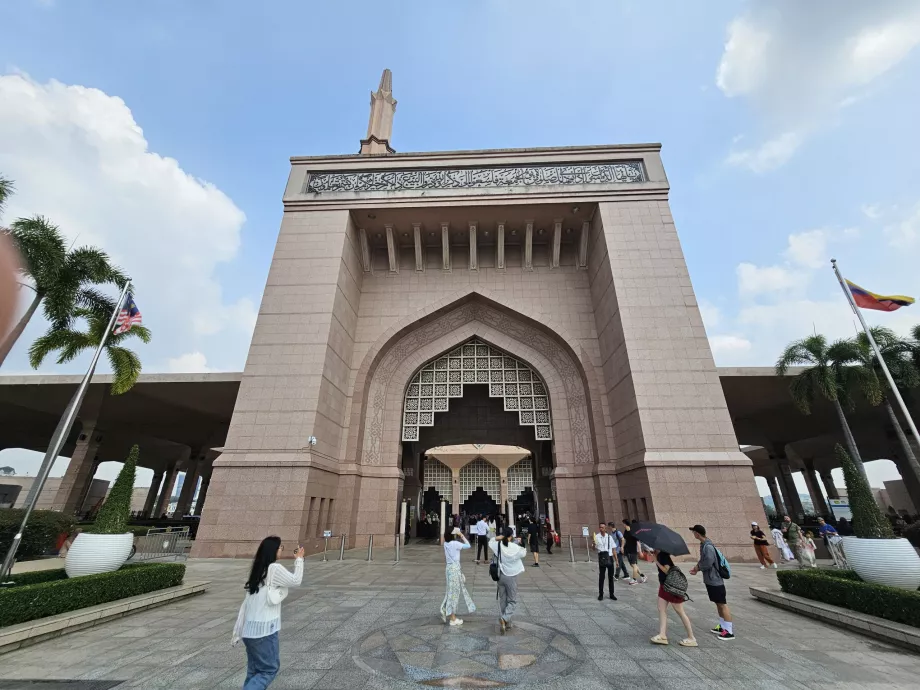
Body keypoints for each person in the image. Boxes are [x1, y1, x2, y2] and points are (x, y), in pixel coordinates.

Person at [232, 537, 304, 689]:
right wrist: (299, 559)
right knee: (268, 670)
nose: (281, 550)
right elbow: (296, 580)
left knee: (254, 671)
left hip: (249, 631)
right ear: (273, 550)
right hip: (264, 631)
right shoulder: (274, 568)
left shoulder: (258, 571)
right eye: (280, 547)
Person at [688, 524, 734, 641]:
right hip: (711, 579)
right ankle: (723, 626)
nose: (693, 534)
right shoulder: (704, 544)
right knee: (718, 603)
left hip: (715, 580)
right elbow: (704, 560)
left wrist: (697, 568)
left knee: (722, 604)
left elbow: (708, 562)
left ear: (697, 533)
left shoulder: (708, 546)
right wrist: (697, 567)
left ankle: (729, 631)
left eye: (694, 532)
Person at [650, 548, 696, 647]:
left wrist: (656, 560)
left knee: (680, 612)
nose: (652, 548)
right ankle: (662, 635)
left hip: (671, 587)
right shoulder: (659, 554)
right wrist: (655, 557)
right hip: (664, 586)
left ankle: (691, 638)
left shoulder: (663, 555)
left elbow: (667, 570)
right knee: (661, 609)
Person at [489, 526, 526, 633]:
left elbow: (490, 541)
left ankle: (507, 623)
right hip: (511, 576)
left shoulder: (498, 545)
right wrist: (519, 542)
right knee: (512, 601)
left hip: (500, 576)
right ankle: (504, 618)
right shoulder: (515, 547)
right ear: (511, 536)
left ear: (503, 535)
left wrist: (498, 537)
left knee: (503, 600)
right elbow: (524, 552)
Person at [440, 527, 476, 626]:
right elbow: (468, 545)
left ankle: (445, 609)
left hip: (449, 569)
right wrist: (461, 535)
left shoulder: (446, 544)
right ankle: (452, 618)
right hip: (455, 570)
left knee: (450, 591)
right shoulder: (455, 544)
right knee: (454, 593)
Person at [593, 522, 618, 601]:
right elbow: (594, 548)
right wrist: (593, 544)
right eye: (600, 527)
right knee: (602, 577)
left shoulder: (609, 537)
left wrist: (616, 560)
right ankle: (601, 594)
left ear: (605, 528)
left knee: (610, 577)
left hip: (610, 557)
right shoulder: (596, 537)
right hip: (602, 558)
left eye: (603, 527)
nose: (601, 529)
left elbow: (614, 549)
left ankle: (611, 594)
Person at [622, 519, 647, 585]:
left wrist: (640, 551)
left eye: (623, 523)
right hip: (627, 550)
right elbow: (624, 539)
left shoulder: (633, 531)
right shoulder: (625, 531)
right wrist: (622, 547)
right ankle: (643, 576)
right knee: (632, 565)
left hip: (633, 550)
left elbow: (638, 542)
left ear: (625, 523)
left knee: (633, 565)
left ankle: (634, 580)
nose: (623, 525)